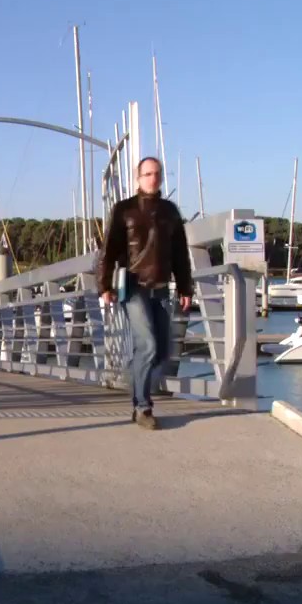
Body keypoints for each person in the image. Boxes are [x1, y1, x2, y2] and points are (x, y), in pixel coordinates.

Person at [97, 157, 193, 430]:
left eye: (157, 174)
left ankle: (139, 393)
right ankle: (142, 407)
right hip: (134, 286)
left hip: (162, 289)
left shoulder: (170, 211)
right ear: (138, 178)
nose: (152, 178)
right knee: (148, 345)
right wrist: (103, 285)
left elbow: (180, 254)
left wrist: (185, 287)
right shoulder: (124, 210)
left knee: (161, 352)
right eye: (147, 174)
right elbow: (108, 251)